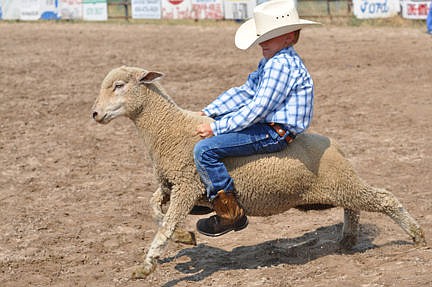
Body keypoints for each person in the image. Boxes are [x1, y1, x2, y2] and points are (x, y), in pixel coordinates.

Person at [193, 0, 320, 237]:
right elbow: (246, 91)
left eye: (268, 37)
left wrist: (217, 127)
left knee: (206, 150)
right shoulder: (272, 61)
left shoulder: (280, 65)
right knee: (217, 139)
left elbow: (258, 108)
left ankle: (229, 213)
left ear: (288, 36)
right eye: (261, 35)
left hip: (273, 132)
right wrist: (211, 110)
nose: (261, 42)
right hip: (269, 125)